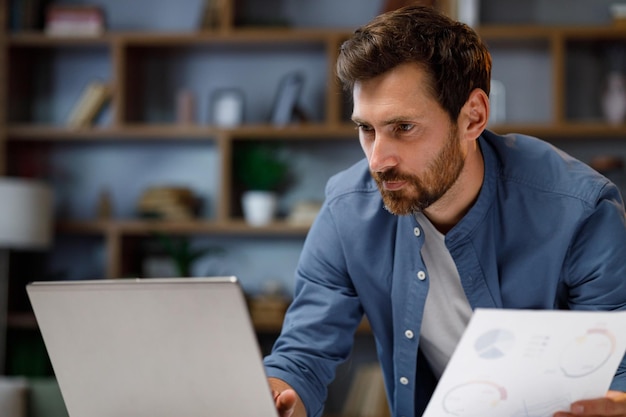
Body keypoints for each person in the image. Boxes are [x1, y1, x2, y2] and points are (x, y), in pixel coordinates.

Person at [263, 5, 626, 417]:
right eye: (366, 129)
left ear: (473, 117)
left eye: (403, 128)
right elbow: (302, 355)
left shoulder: (580, 211)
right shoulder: (347, 209)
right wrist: (278, 396)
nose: (378, 160)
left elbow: (620, 369)